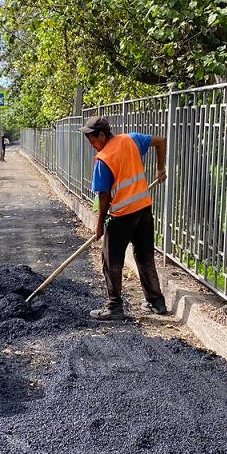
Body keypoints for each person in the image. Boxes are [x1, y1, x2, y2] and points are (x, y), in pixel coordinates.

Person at [81, 116, 168, 320]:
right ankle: (157, 302)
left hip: (121, 215)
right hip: (144, 209)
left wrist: (100, 224)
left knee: (111, 259)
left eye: (92, 140)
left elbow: (103, 196)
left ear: (102, 135)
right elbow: (161, 141)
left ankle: (114, 306)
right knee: (144, 256)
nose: (92, 145)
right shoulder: (131, 139)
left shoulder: (103, 159)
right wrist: (160, 168)